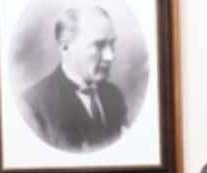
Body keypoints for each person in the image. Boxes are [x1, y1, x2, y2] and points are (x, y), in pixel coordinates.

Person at [20, 5, 128, 153]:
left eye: (112, 44)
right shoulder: (33, 104)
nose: (110, 56)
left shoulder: (115, 96)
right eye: (99, 45)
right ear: (65, 46)